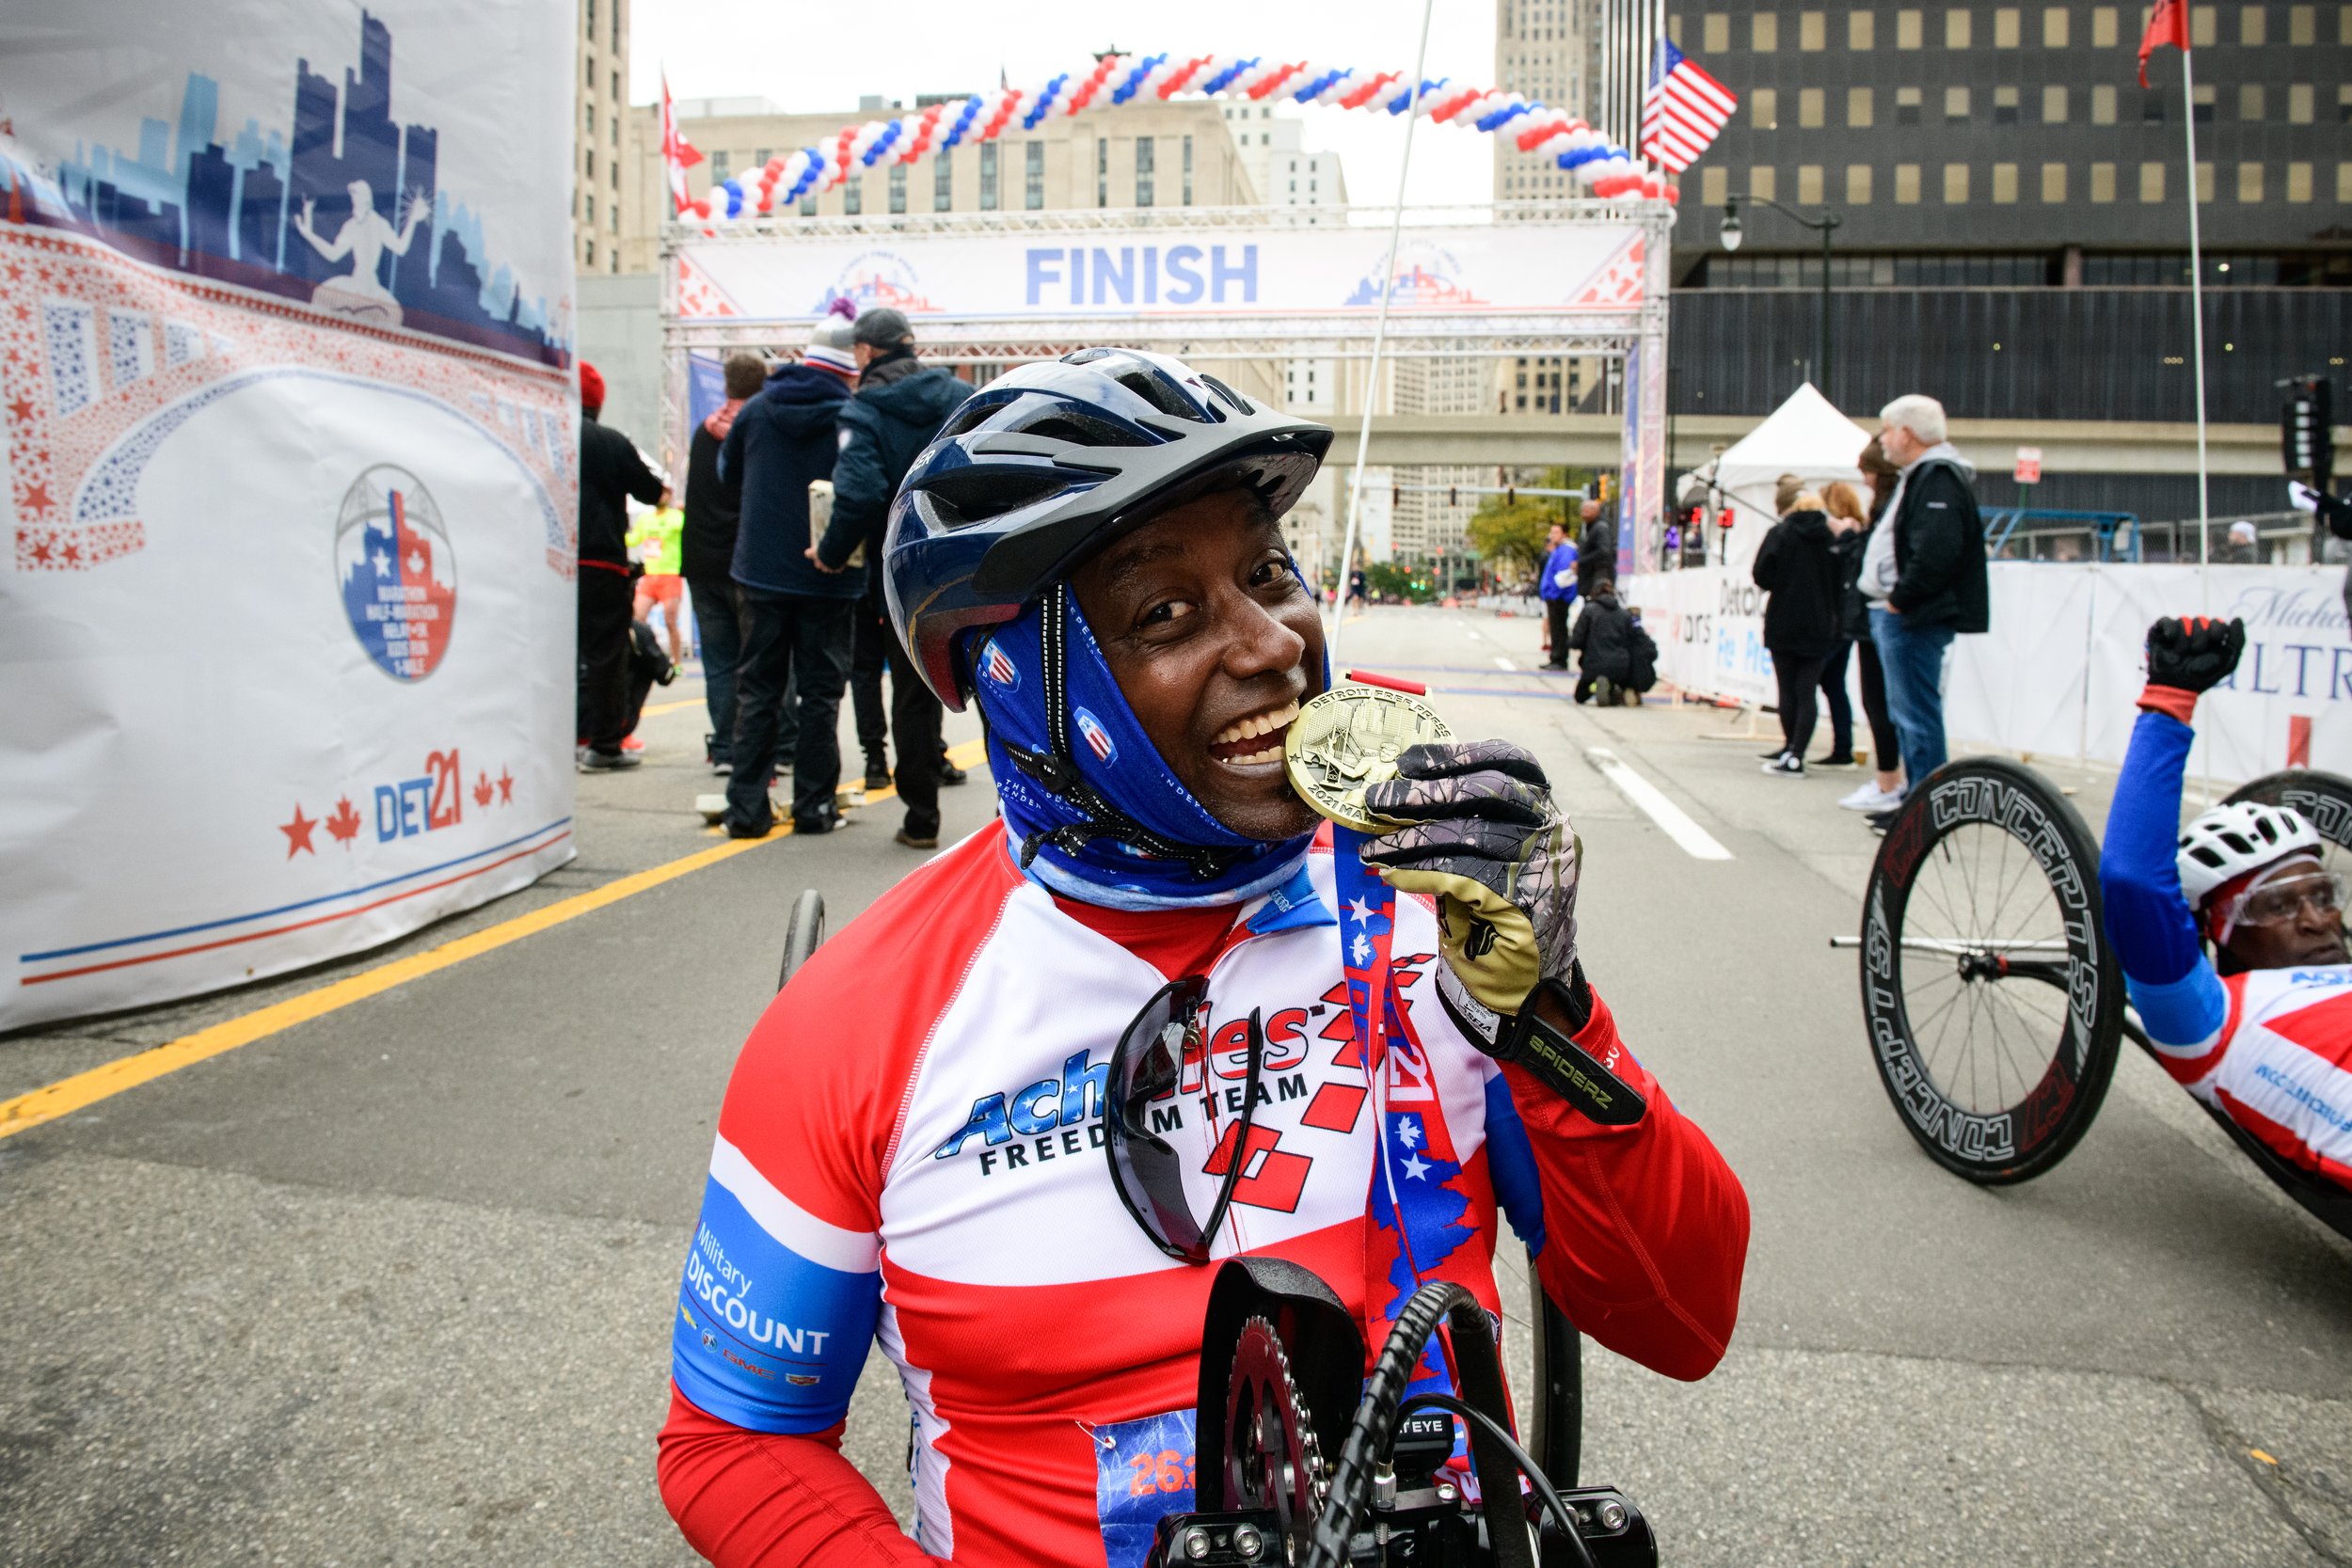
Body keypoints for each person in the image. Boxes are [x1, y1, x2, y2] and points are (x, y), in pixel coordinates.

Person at [655, 349, 1750, 1567]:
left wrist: (1552, 1014)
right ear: (1009, 679)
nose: (1272, 641)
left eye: (1269, 571)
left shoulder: (1430, 911)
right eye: (1166, 611)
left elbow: (1686, 1317)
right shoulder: (856, 1023)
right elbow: (734, 1440)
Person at [2100, 615, 2352, 1193]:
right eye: (2276, 906)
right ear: (2217, 932)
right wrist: (2169, 699)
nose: (2317, 919)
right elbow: (2134, 879)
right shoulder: (2210, 1019)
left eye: (2324, 895)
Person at [819, 306, 975, 850]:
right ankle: (1019, 815)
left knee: (914, 691)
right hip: (976, 559)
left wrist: (833, 552)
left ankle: (922, 818)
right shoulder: (961, 398)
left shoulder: (863, 409)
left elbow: (859, 493)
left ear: (865, 352)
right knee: (999, 681)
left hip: (907, 570)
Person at [718, 331, 861, 836]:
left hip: (760, 572)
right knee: (820, 696)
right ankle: (814, 808)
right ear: (849, 369)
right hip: (829, 574)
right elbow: (864, 487)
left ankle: (746, 811)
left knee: (758, 690)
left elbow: (726, 472)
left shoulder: (756, 410)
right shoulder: (852, 416)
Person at [1857, 394, 1989, 825]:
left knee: (1915, 713)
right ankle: (1920, 802)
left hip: (1913, 617)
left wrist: (1901, 598)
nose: (1884, 439)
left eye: (1887, 429)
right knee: (1908, 710)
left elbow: (1936, 549)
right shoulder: (1925, 477)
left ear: (1907, 433)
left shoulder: (1937, 478)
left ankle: (1928, 808)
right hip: (1906, 614)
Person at [576, 360, 667, 772]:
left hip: (547, 563)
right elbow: (652, 491)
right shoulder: (610, 442)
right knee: (606, 656)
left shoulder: (541, 436)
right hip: (600, 562)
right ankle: (604, 746)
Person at [683, 354, 766, 775]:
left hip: (700, 560)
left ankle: (724, 749)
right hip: (740, 563)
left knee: (717, 661)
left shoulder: (704, 431)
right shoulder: (756, 432)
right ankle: (768, 747)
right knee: (755, 661)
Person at [1752, 488, 1842, 777]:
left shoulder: (1780, 533)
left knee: (1786, 688)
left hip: (1784, 617)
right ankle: (1798, 752)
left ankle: (1789, 746)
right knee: (1807, 690)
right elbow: (1843, 578)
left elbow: (1761, 574)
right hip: (1819, 620)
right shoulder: (1831, 538)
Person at [1838, 442, 1907, 813]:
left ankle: (1890, 783)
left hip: (1881, 614)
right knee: (1881, 702)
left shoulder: (1890, 508)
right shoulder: (1886, 507)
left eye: (1865, 469)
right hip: (1876, 614)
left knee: (1884, 702)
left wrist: (1852, 539)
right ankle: (1890, 781)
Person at [1812, 481, 1867, 768]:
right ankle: (1842, 747)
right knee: (1833, 684)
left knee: (1815, 678)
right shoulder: (1860, 530)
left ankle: (1799, 747)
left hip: (1839, 617)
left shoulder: (1850, 535)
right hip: (1846, 618)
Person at [629, 499, 689, 667]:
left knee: (670, 620)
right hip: (650, 575)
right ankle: (641, 659)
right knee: (636, 618)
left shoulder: (676, 516)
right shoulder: (645, 519)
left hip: (670, 575)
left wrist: (686, 512)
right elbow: (633, 539)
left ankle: (676, 664)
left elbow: (688, 530)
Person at [1567, 577, 1636, 705]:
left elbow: (1577, 640)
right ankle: (1613, 687)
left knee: (1580, 696)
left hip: (1594, 664)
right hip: (1620, 666)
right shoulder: (1624, 614)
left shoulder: (1589, 610)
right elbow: (1632, 641)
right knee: (1613, 680)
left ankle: (1597, 686)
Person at [1536, 521, 1579, 671]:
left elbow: (1564, 575)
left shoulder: (1566, 550)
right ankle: (1556, 657)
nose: (1552, 535)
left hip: (1558, 597)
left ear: (1564, 534)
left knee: (1559, 628)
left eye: (1556, 532)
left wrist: (1553, 592)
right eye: (1551, 532)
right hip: (1554, 595)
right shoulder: (1559, 549)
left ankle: (1559, 658)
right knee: (1556, 628)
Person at [1576, 497, 1615, 600]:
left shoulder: (1600, 527)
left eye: (1587, 510)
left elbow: (1604, 551)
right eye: (1583, 511)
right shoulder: (1591, 528)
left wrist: (1582, 561)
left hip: (1597, 578)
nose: (1583, 513)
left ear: (1596, 511)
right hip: (1593, 579)